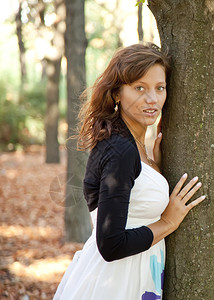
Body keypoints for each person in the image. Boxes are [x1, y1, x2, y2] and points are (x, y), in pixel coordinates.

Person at [53, 43, 206, 300]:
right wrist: (168, 222)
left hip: (133, 277)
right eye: (139, 88)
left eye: (160, 88)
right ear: (116, 94)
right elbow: (110, 245)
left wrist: (155, 167)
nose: (152, 99)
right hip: (113, 285)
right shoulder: (120, 149)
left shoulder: (131, 145)